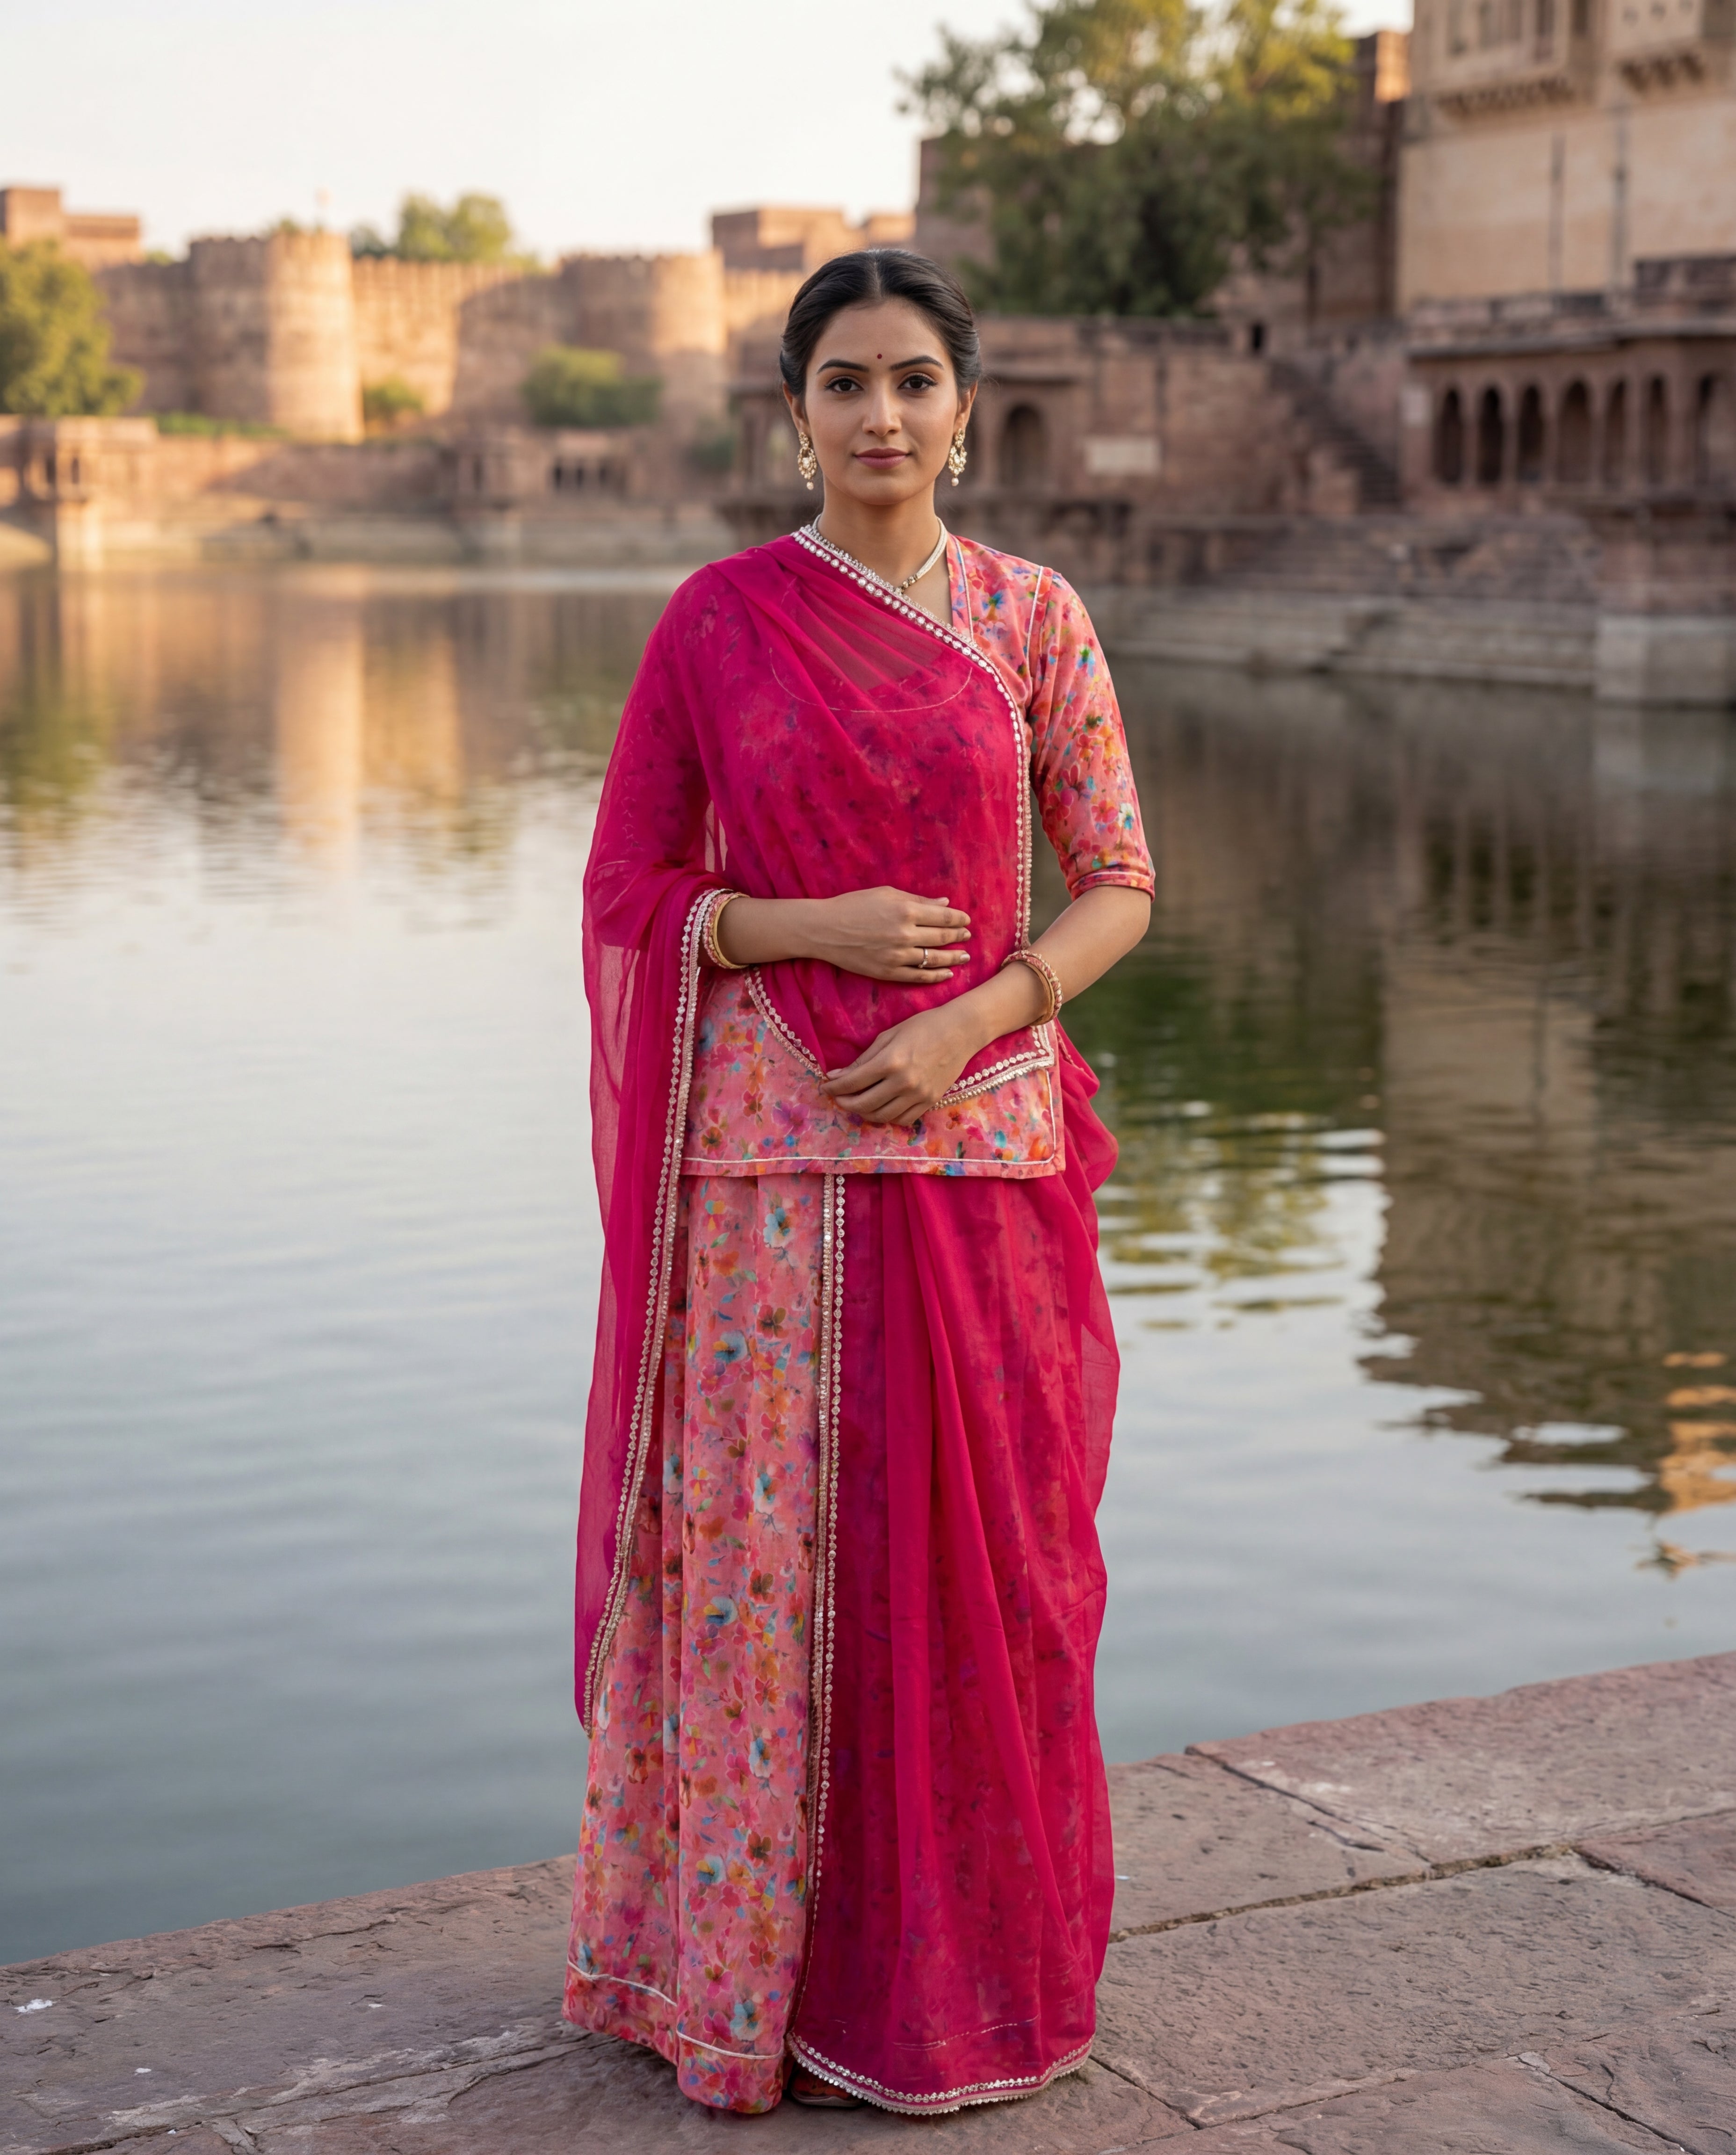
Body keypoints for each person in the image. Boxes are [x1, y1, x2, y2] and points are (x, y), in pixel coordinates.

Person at [564, 247, 1154, 2116]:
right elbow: (623, 893)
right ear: (791, 410)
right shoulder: (717, 621)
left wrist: (982, 1011)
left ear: (964, 404)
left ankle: (968, 1984)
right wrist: (794, 919)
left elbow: (1119, 880)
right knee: (767, 1577)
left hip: (977, 1141)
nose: (880, 417)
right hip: (755, 1171)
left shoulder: (1033, 621)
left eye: (912, 380)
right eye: (843, 383)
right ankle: (748, 1990)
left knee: (983, 1569)